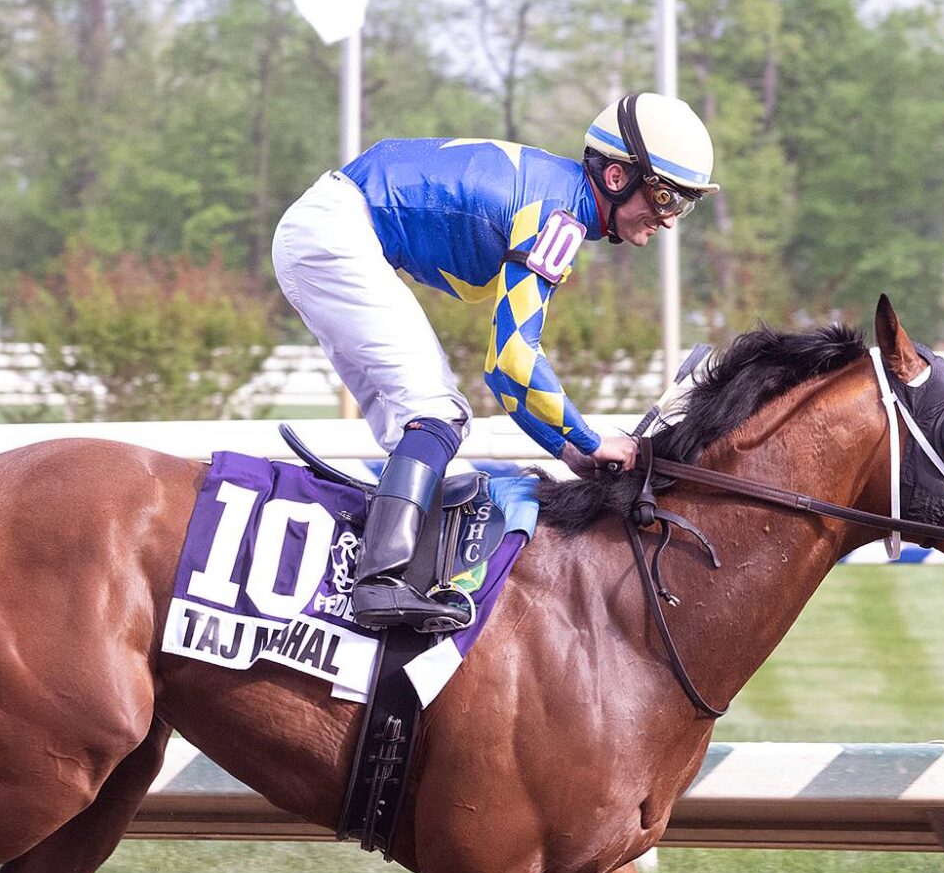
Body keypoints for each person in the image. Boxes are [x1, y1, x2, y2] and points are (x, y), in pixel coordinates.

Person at [273, 92, 720, 632]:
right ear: (617, 177)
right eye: (666, 198)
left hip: (331, 225)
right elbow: (513, 358)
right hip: (339, 232)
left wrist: (566, 447)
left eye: (681, 206)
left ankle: (388, 575)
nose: (668, 220)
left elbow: (501, 374)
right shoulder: (559, 219)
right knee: (436, 413)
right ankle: (379, 584)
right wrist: (589, 439)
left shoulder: (558, 198)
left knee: (424, 425)